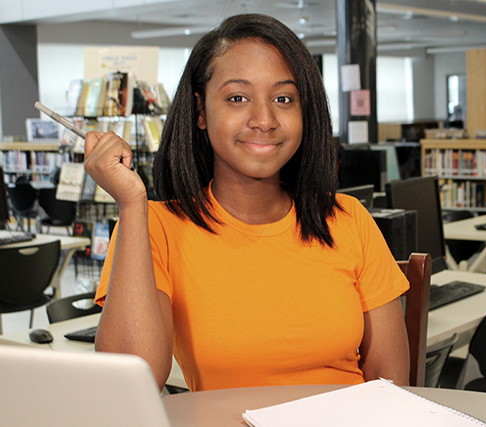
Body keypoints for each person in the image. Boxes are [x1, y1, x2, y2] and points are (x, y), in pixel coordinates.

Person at [84, 13, 410, 392]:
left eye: (283, 98)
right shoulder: (156, 226)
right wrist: (131, 202)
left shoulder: (348, 219)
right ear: (201, 111)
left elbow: (391, 386)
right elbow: (130, 382)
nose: (264, 119)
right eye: (238, 98)